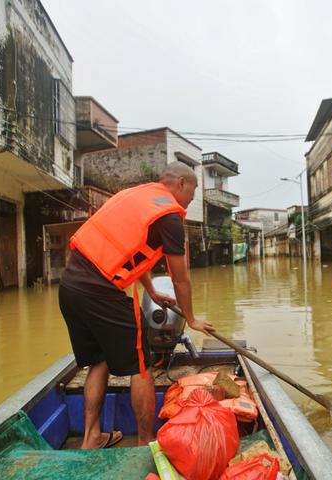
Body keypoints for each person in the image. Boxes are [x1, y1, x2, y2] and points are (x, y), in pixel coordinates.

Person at [58, 161, 215, 449]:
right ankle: (146, 443)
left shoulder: (134, 197)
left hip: (69, 286)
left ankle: (91, 437)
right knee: (141, 365)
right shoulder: (169, 216)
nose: (190, 203)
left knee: (99, 361)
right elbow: (181, 279)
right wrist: (191, 319)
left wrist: (152, 291)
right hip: (99, 290)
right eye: (191, 197)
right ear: (180, 184)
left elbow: (130, 251)